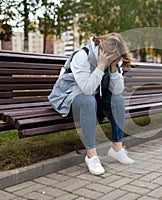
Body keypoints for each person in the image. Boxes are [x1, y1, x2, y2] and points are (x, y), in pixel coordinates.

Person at [48, 33, 135, 175]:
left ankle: (117, 148)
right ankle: (91, 156)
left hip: (92, 96)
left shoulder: (113, 58)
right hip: (69, 96)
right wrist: (101, 65)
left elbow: (117, 90)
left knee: (117, 100)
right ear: (102, 50)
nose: (111, 60)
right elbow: (87, 90)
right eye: (110, 58)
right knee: (88, 101)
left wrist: (113, 68)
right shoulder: (82, 56)